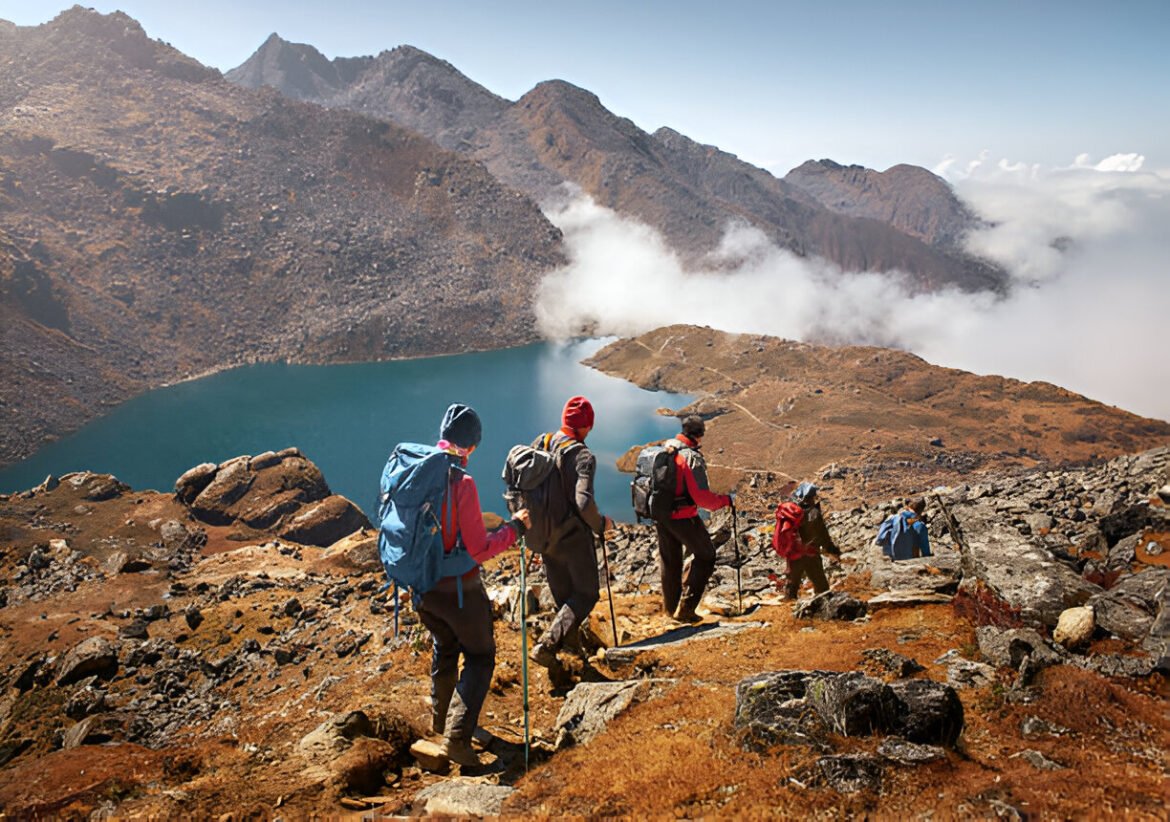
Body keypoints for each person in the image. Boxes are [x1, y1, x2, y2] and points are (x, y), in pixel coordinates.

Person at [417, 403, 530, 767]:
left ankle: (440, 720)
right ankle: (458, 739)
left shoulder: (416, 470)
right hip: (457, 590)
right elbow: (479, 548)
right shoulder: (460, 483)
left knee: (445, 644)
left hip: (421, 590)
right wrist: (515, 529)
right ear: (473, 446)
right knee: (480, 657)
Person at [528, 396, 614, 670]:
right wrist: (601, 525)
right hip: (572, 538)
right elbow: (583, 503)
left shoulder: (542, 444)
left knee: (566, 600)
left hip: (545, 537)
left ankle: (572, 659)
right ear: (586, 425)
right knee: (587, 594)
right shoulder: (582, 455)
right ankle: (547, 645)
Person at [655, 415, 733, 623]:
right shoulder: (691, 457)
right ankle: (687, 609)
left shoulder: (667, 446)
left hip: (662, 514)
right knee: (706, 555)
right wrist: (725, 501)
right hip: (683, 516)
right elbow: (702, 498)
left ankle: (670, 611)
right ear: (699, 435)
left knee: (670, 562)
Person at [782, 481, 841, 599]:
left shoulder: (793, 513)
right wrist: (832, 549)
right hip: (810, 554)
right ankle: (824, 607)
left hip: (794, 555)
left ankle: (787, 610)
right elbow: (823, 535)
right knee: (821, 586)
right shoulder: (814, 513)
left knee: (792, 585)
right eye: (813, 496)